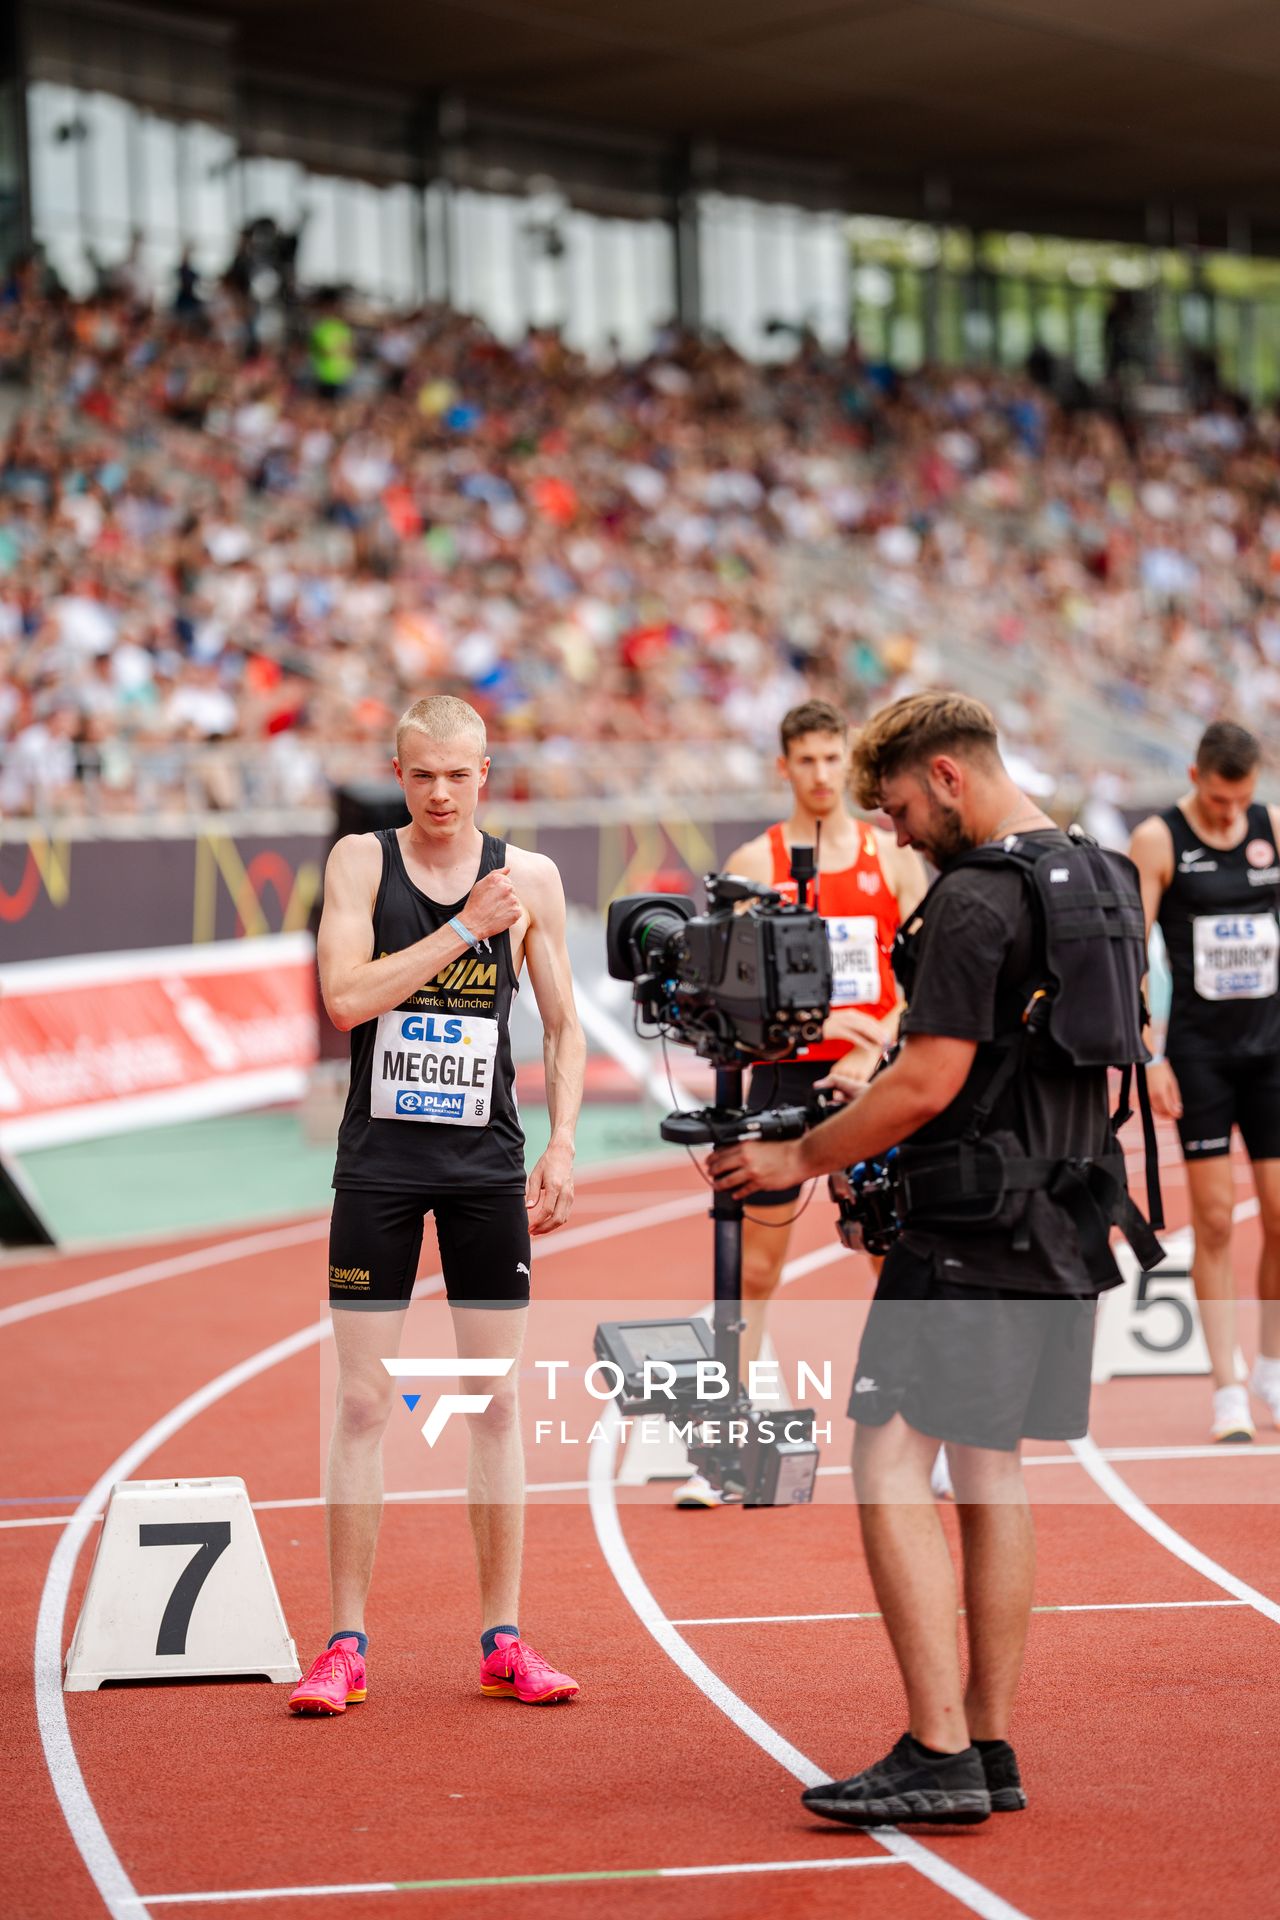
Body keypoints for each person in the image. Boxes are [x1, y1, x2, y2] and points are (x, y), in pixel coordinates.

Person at [710, 691, 1139, 1827]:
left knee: (889, 1464)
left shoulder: (970, 899)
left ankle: (937, 1747)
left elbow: (927, 1080)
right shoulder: (1102, 876)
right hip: (1065, 1218)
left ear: (946, 777)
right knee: (989, 1472)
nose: (894, 830)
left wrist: (797, 1157)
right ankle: (988, 1744)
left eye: (897, 806)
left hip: (967, 1231)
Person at [290, 694, 586, 1715]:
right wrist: (464, 928)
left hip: (483, 1168)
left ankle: (503, 1637)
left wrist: (564, 1142)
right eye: (422, 775)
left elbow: (563, 1025)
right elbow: (345, 998)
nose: (441, 793)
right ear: (399, 772)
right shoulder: (361, 865)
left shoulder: (530, 877)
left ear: (485, 774)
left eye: (459, 775)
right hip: (378, 1165)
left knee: (494, 1398)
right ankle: (343, 1644)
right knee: (368, 1399)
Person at [677, 699, 924, 1509]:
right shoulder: (758, 858)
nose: (821, 775)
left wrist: (868, 1041)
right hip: (783, 1079)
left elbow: (925, 979)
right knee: (750, 1269)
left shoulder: (894, 859)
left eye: (832, 758)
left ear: (847, 760)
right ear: (784, 767)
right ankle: (724, 1444)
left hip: (876, 1081)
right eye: (806, 761)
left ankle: (927, 1432)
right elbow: (737, 995)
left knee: (900, 1263)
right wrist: (820, 1025)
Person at [1128, 720, 1280, 1442]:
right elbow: (1129, 953)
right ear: (1194, 776)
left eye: (1239, 800)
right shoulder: (1159, 841)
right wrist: (1149, 1055)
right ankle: (1227, 1390)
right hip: (1199, 1054)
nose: (1229, 815)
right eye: (1219, 801)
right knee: (1216, 1218)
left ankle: (1272, 1368)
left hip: (1273, 1050)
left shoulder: (1271, 827)